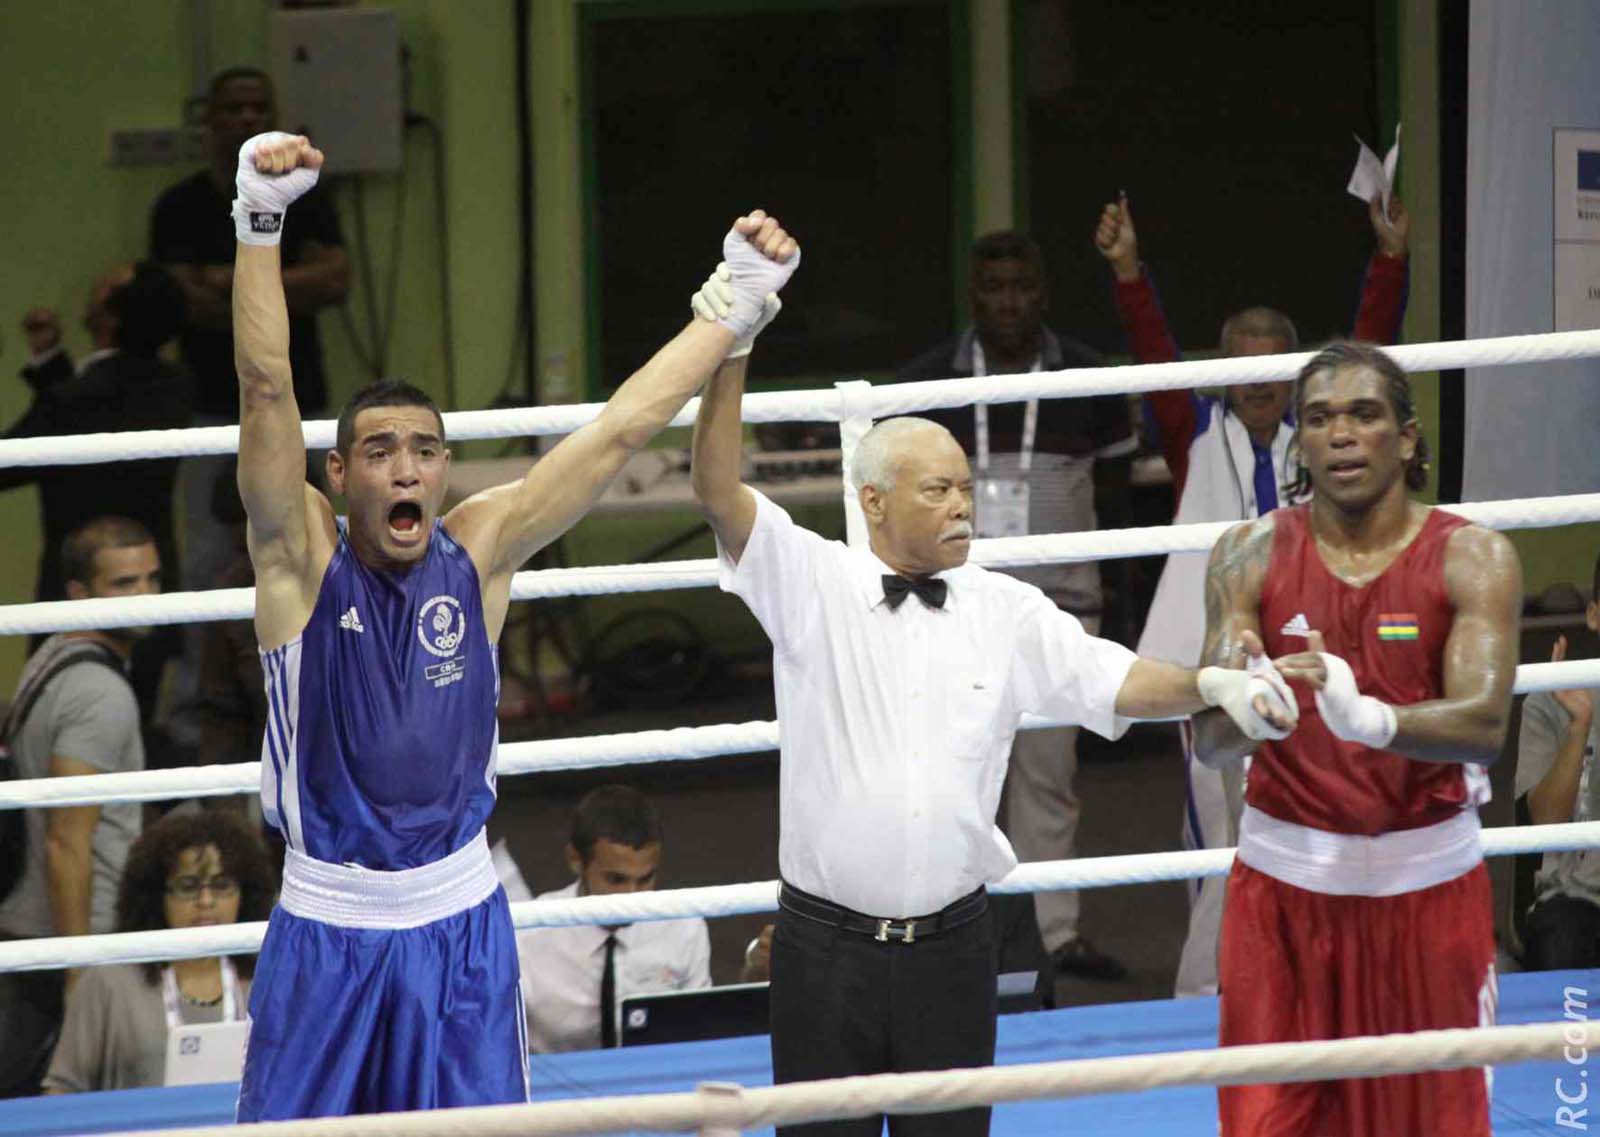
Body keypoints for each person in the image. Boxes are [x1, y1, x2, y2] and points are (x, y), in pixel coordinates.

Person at [228, 130, 798, 1119]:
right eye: (377, 452)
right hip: (328, 923)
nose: (405, 468)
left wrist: (732, 302)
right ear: (337, 474)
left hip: (458, 924)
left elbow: (620, 430)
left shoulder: (479, 549)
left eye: (424, 450)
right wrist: (261, 219)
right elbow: (266, 385)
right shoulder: (300, 563)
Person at [689, 275, 1296, 1136]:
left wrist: (1212, 682)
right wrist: (735, 339)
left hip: (955, 951)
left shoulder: (1005, 609)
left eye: (964, 486)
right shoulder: (811, 582)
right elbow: (717, 490)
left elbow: (1110, 676)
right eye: (935, 489)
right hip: (824, 953)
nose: (961, 503)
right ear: (873, 502)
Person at [1192, 341, 1520, 1137]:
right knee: (1267, 1124)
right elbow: (1207, 738)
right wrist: (1249, 703)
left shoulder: (1473, 555)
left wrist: (1373, 719)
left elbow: (1482, 725)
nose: (1341, 434)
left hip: (1427, 891)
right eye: (1320, 418)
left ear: (1407, 437)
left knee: (1432, 1125)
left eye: (1365, 415)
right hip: (1284, 891)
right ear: (1298, 441)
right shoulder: (1249, 552)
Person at [1094, 192, 1411, 997]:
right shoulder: (1192, 428)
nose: (1261, 380)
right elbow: (1157, 356)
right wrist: (1129, 273)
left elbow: (1369, 356)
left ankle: (1304, 982)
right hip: (1213, 655)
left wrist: (1389, 262)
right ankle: (1205, 996)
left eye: (1277, 363)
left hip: (1308, 652)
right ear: (1225, 368)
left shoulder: (1323, 435)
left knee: (1314, 816)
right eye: (1245, 362)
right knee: (1215, 832)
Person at [896, 230, 1138, 982]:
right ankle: (938, 928)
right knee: (944, 771)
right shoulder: (927, 380)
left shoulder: (1090, 379)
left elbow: (1118, 501)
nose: (1008, 301)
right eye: (993, 287)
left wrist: (1113, 608)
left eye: (1020, 286)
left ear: (1044, 292)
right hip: (946, 608)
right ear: (974, 295)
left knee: (1047, 779)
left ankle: (1054, 934)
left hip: (1059, 608)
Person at [150, 66, 348, 737]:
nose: (245, 116)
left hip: (305, 403)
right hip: (210, 409)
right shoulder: (178, 205)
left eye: (257, 105)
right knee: (211, 559)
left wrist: (241, 283)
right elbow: (183, 299)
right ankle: (197, 717)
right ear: (209, 118)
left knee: (318, 540)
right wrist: (275, 283)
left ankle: (326, 692)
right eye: (232, 106)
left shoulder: (308, 194)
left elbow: (337, 277)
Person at [0, 516, 162, 1097]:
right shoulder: (100, 692)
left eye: (151, 579)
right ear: (78, 594)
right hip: (77, 938)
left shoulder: (49, 654)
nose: (145, 597)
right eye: (123, 584)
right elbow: (67, 838)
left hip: (40, 929)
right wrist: (78, 975)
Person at [3, 267, 190, 719]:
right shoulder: (176, 385)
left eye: (107, 283)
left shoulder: (78, 399)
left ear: (110, 315)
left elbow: (19, 453)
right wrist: (51, 364)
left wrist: (53, 375)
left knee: (62, 729)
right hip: (150, 584)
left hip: (80, 591)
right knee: (131, 735)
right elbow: (93, 401)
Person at [42, 809, 277, 1093]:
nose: (206, 901)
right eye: (188, 887)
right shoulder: (109, 983)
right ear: (155, 895)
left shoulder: (268, 979)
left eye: (222, 885)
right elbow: (61, 1091)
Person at [494, 786, 710, 1053]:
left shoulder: (684, 927)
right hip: (553, 1089)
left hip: (659, 1080)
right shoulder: (527, 933)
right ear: (576, 859)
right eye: (616, 879)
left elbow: (702, 1036)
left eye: (645, 879)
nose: (632, 897)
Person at [1515, 563, 1600, 969]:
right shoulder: (1551, 700)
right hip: (1575, 904)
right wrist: (1579, 728)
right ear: (1594, 616)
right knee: (1561, 939)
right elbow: (1546, 821)